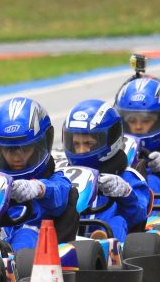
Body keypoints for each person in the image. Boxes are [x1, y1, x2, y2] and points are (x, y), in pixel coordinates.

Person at [0, 96, 78, 249]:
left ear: (41, 145)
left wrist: (38, 188)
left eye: (25, 149)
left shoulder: (57, 181)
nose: (17, 157)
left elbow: (60, 194)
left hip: (35, 250)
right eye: (9, 150)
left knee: (25, 233)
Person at [62, 100, 152, 241]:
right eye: (76, 144)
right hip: (68, 237)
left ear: (111, 141)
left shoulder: (129, 177)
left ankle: (106, 245)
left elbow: (139, 215)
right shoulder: (63, 177)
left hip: (110, 242)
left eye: (88, 144)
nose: (80, 151)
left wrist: (126, 194)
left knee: (117, 222)